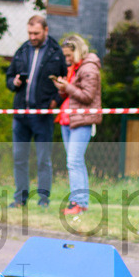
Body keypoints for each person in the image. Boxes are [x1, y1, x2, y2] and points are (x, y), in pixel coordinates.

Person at [5, 15, 67, 208]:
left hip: (42, 116)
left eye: (36, 33)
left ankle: (43, 201)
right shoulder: (22, 50)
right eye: (30, 33)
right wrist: (14, 82)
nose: (32, 37)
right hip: (21, 115)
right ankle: (20, 199)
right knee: (19, 158)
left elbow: (66, 81)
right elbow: (9, 77)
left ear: (46, 31)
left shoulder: (56, 53)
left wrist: (56, 101)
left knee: (43, 160)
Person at [54, 34, 101, 216]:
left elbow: (87, 96)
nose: (66, 59)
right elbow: (73, 94)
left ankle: (78, 203)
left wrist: (67, 87)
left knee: (74, 161)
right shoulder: (75, 67)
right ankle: (80, 203)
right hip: (69, 119)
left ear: (78, 50)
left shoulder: (89, 68)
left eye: (68, 55)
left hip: (82, 120)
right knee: (75, 162)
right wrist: (62, 88)